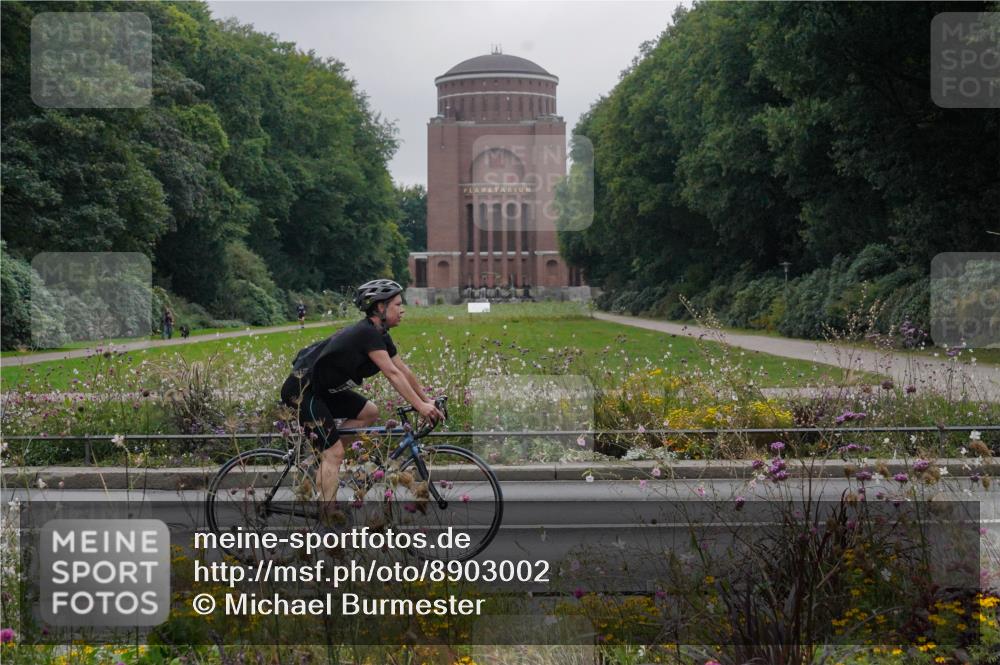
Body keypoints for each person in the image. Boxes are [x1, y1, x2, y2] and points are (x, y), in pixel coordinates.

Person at [280, 279, 444, 520]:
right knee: (334, 452)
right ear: (380, 308)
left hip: (323, 390)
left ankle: (323, 461)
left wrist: (427, 400)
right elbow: (392, 373)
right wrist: (420, 407)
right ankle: (328, 516)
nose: (402, 309)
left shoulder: (380, 335)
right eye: (397, 304)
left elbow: (403, 370)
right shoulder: (366, 334)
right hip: (302, 390)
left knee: (369, 412)